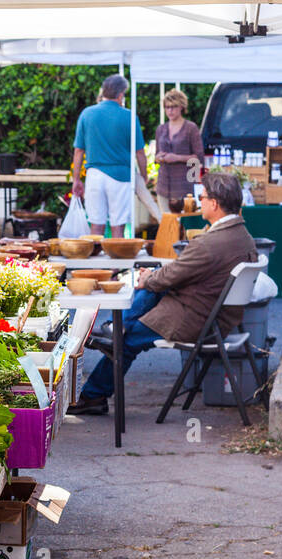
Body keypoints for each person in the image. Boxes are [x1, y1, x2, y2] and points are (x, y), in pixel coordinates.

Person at [70, 172, 257, 416]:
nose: (199, 201)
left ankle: (95, 391)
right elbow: (179, 273)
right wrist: (156, 277)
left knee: (126, 339)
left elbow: (172, 276)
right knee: (154, 284)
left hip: (196, 321)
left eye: (202, 197)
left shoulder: (210, 243)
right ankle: (117, 328)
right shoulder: (244, 238)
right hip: (215, 317)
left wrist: (150, 278)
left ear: (214, 203)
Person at [72, 74, 148, 238]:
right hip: (120, 177)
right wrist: (144, 176)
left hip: (94, 175)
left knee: (96, 227)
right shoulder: (129, 116)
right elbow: (139, 153)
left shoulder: (87, 114)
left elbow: (78, 151)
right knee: (118, 228)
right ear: (121, 94)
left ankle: (95, 264)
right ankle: (116, 264)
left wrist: (76, 179)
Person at [154, 89, 204, 213]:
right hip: (163, 184)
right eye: (167, 107)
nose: (170, 110)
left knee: (183, 224)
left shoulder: (190, 128)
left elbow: (198, 157)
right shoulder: (161, 129)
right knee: (166, 223)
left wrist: (177, 158)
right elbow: (156, 157)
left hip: (183, 184)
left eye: (173, 107)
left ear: (181, 107)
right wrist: (159, 157)